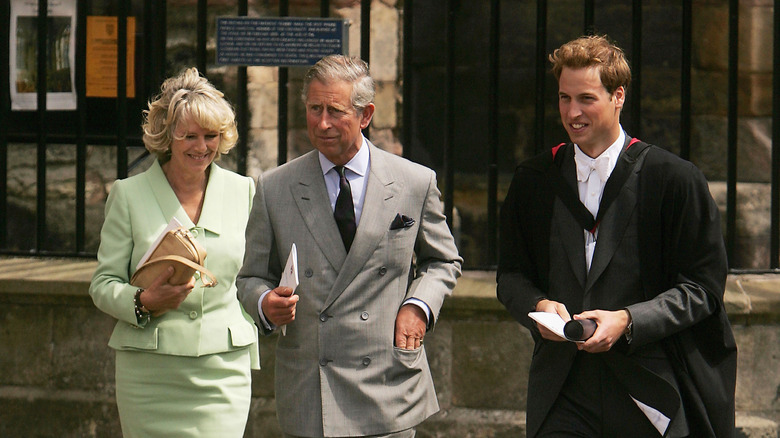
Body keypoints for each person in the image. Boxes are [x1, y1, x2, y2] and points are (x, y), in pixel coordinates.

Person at [497, 35, 737, 438]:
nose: (572, 112)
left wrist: (628, 320)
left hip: (650, 389)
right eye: (563, 98)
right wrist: (537, 304)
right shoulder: (534, 180)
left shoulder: (673, 180)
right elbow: (511, 276)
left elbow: (703, 289)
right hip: (562, 390)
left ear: (618, 96)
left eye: (586, 98)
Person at [236, 54, 462, 438]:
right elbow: (252, 277)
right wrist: (265, 303)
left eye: (335, 111)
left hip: (387, 386)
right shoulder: (275, 187)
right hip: (312, 393)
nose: (322, 123)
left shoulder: (414, 182)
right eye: (314, 109)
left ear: (366, 114)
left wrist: (418, 306)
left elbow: (443, 261)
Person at [89, 67, 259, 438]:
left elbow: (255, 276)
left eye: (211, 136)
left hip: (222, 370)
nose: (202, 147)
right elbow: (102, 284)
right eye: (190, 136)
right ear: (167, 136)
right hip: (149, 374)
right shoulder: (128, 194)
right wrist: (143, 300)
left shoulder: (244, 191)